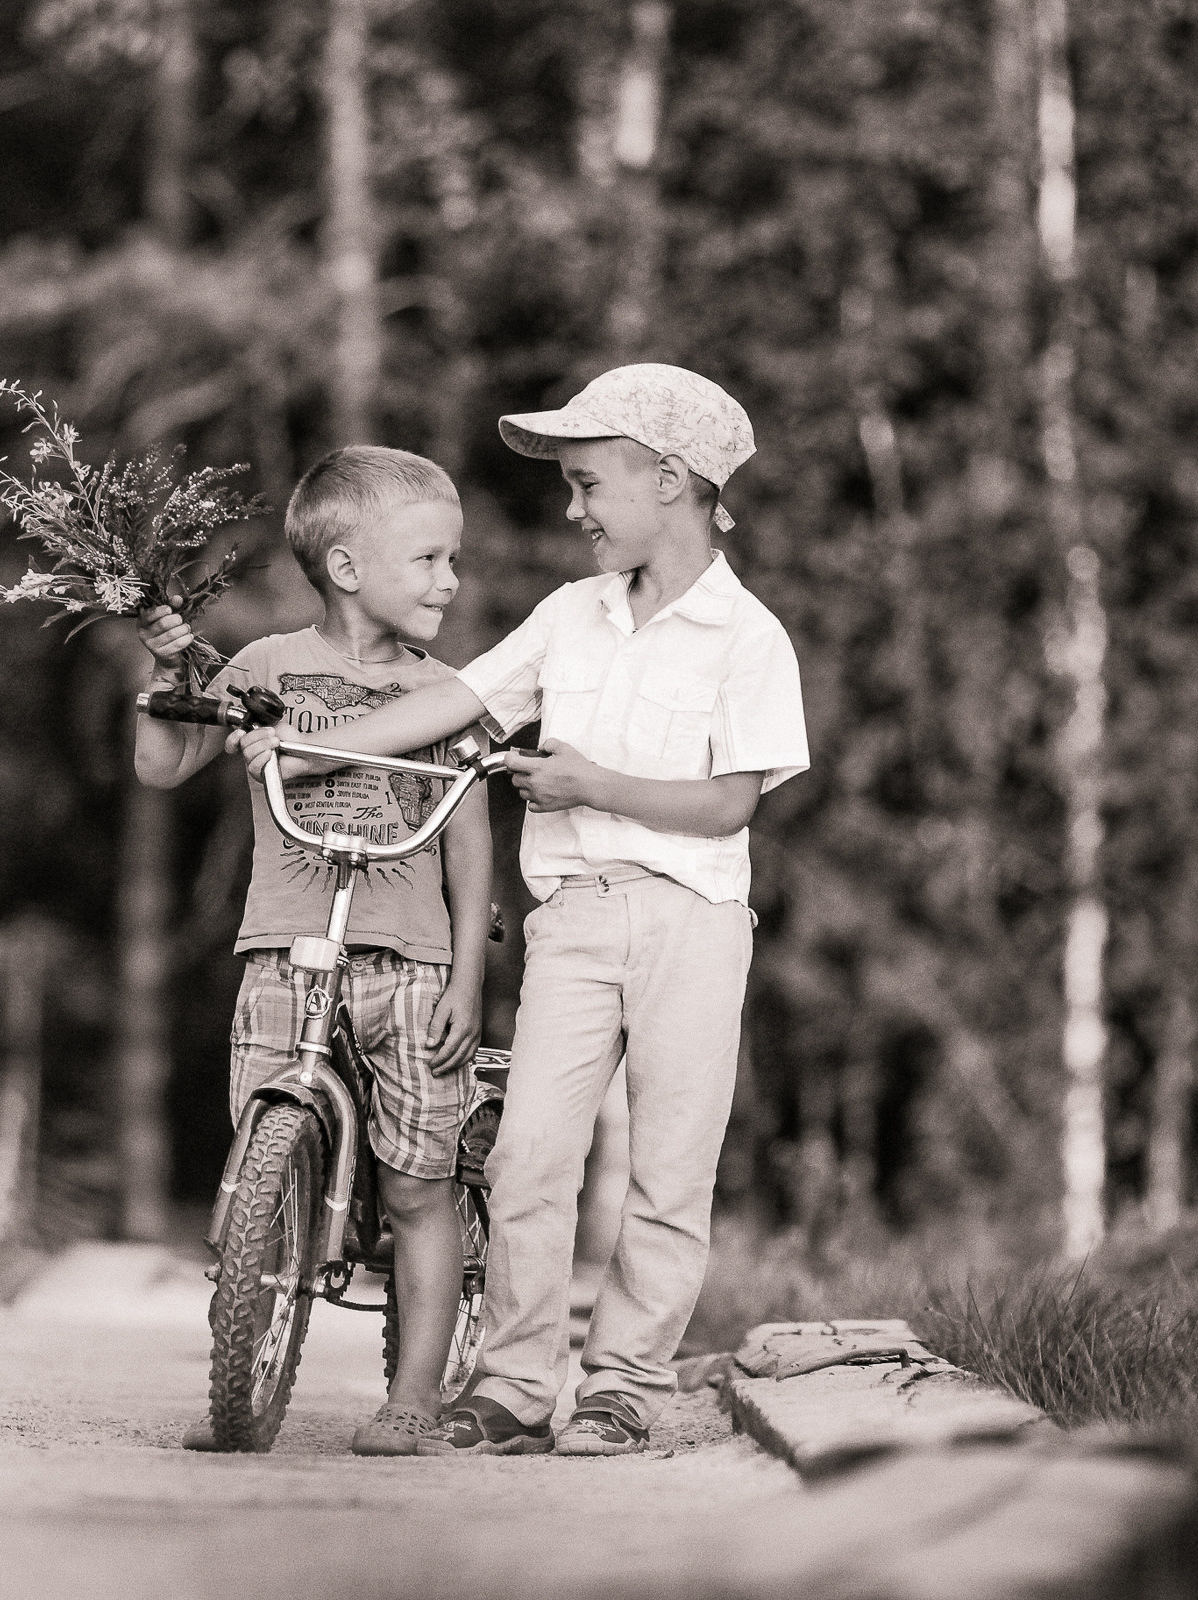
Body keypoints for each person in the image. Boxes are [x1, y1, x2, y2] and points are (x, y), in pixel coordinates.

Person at [236, 366, 808, 1457]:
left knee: (669, 1166)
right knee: (527, 1154)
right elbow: (451, 702)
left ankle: (623, 1383)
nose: (573, 507)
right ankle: (510, 1386)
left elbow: (732, 801)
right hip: (576, 919)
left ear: (670, 481)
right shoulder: (570, 617)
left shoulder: (748, 637)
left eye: (590, 484)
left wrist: (593, 785)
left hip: (692, 922)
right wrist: (307, 748)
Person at [134, 444, 493, 1457]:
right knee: (261, 1156)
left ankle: (413, 1400)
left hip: (413, 962)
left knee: (421, 1185)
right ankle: (242, 1362)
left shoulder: (449, 691)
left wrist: (469, 970)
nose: (449, 580)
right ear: (346, 567)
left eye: (451, 561)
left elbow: (470, 835)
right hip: (285, 951)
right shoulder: (263, 669)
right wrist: (170, 666)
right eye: (427, 559)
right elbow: (162, 764)